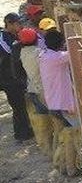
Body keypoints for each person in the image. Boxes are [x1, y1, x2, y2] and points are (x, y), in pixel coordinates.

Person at [37, 29, 82, 176]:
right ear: (60, 44)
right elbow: (76, 52)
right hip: (61, 103)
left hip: (52, 102)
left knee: (60, 135)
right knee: (70, 137)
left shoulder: (43, 56)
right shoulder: (57, 58)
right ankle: (70, 169)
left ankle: (60, 166)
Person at [17, 26, 56, 161]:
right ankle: (57, 152)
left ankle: (47, 150)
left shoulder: (23, 53)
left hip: (32, 89)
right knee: (55, 121)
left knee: (43, 122)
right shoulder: (40, 54)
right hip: (44, 91)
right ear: (36, 40)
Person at [0, 13, 34, 144]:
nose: (19, 25)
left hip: (15, 77)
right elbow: (10, 51)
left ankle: (25, 131)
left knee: (20, 104)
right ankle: (21, 134)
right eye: (17, 23)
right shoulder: (4, 38)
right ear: (9, 24)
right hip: (7, 78)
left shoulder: (14, 36)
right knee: (17, 106)